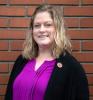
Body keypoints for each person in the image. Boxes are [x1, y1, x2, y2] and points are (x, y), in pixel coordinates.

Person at [5, 4, 89, 100]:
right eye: (37, 26)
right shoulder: (22, 60)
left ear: (57, 29)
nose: (41, 30)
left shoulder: (71, 67)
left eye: (48, 25)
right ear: (32, 31)